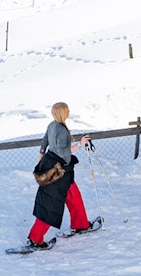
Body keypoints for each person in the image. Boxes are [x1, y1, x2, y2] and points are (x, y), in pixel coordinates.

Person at [24, 102, 95, 248]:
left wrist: (41, 156)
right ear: (63, 113)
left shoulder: (52, 125)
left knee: (74, 196)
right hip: (59, 172)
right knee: (50, 204)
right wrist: (80, 144)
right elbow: (64, 154)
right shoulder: (61, 130)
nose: (69, 112)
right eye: (67, 111)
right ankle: (35, 239)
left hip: (57, 169)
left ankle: (81, 224)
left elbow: (45, 141)